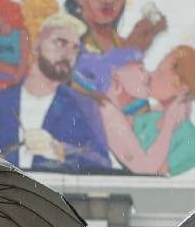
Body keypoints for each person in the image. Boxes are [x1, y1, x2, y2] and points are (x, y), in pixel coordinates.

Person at [0, 13, 111, 171]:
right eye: (60, 43)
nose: (68, 54)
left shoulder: (83, 105)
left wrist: (59, 150)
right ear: (36, 46)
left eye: (75, 48)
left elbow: (103, 163)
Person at [75, 47, 189, 175]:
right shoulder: (107, 112)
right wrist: (169, 122)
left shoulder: (112, 109)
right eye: (140, 69)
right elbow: (145, 169)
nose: (148, 75)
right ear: (116, 78)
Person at [135, 46, 195, 176]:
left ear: (182, 89)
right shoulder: (147, 119)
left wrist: (168, 125)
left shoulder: (191, 141)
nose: (151, 75)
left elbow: (153, 173)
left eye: (160, 73)